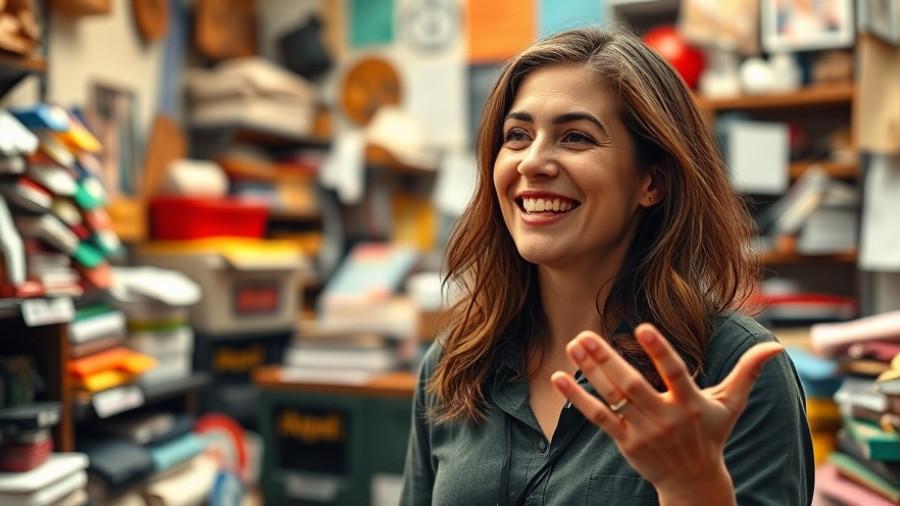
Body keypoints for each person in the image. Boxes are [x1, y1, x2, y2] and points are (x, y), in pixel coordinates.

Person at [400, 26, 814, 505]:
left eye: (575, 137)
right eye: (517, 135)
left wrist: (691, 486)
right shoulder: (454, 364)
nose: (533, 162)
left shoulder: (731, 371)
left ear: (652, 182)